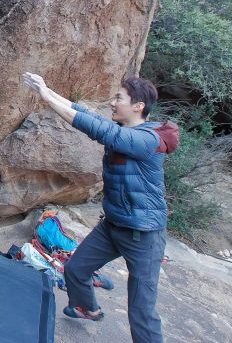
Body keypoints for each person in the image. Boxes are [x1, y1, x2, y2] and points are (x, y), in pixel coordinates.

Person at [21, 72, 179, 343]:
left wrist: (47, 98)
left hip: (143, 235)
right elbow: (86, 115)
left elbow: (100, 130)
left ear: (138, 106)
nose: (113, 102)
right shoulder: (128, 131)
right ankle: (87, 308)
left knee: (141, 310)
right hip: (113, 225)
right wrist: (46, 90)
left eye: (119, 98)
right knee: (75, 270)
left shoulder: (147, 139)